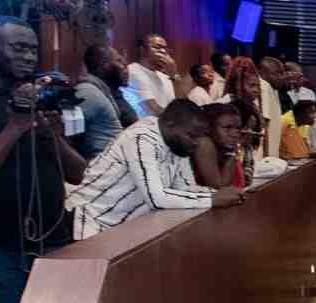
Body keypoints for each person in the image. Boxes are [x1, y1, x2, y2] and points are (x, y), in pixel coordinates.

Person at [66, 97, 238, 238]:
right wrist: (212, 199)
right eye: (192, 136)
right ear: (171, 126)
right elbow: (157, 198)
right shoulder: (141, 138)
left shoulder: (178, 143)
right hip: (88, 223)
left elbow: (185, 188)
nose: (196, 143)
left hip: (116, 227)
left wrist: (217, 194)